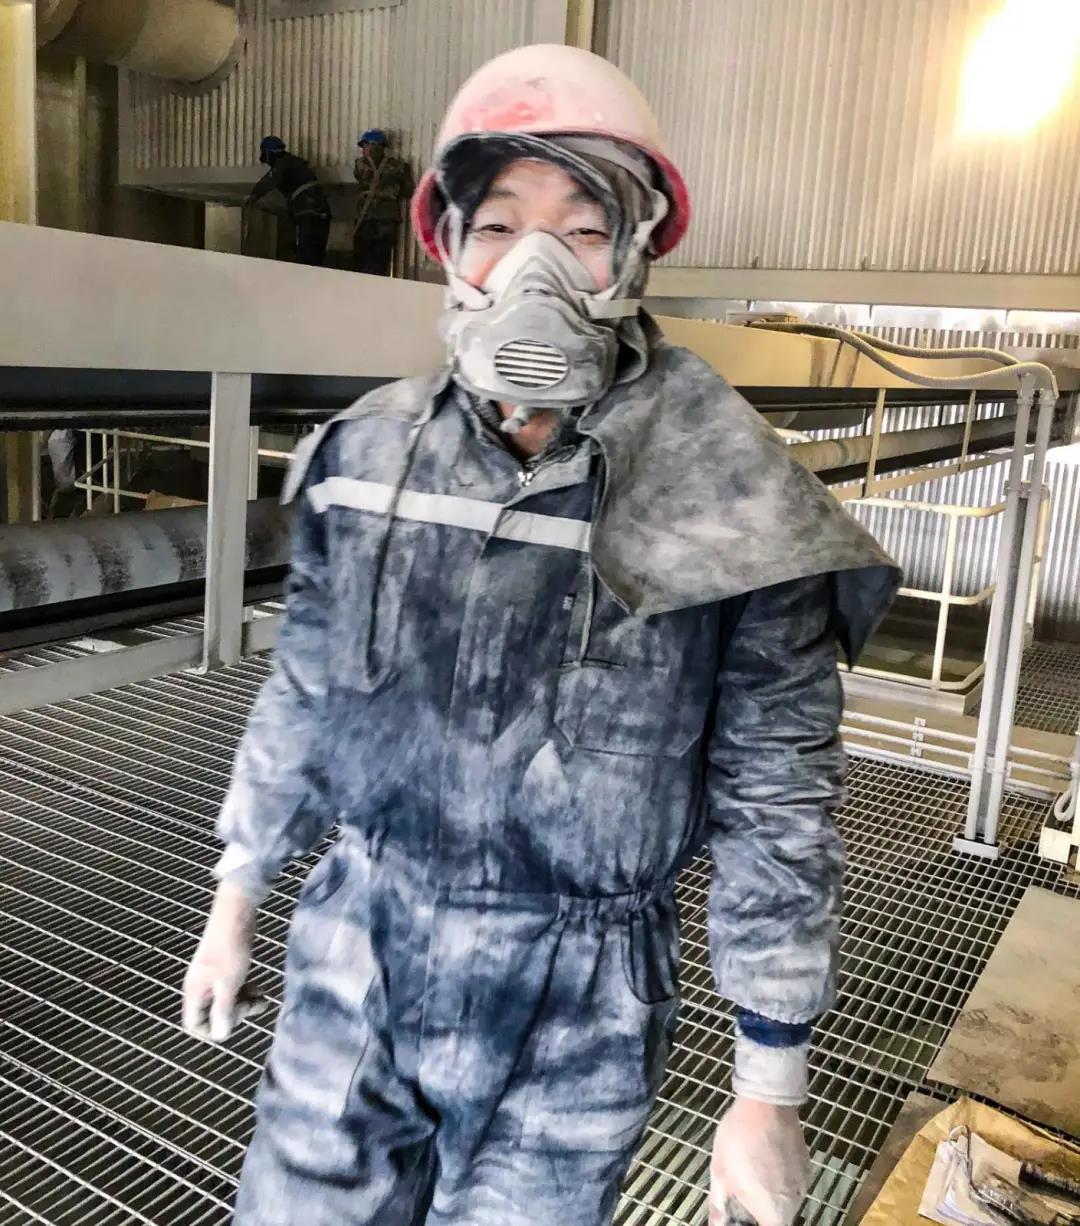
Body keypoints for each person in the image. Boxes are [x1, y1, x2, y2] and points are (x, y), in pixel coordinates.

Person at [183, 44, 900, 1226]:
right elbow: (303, 691)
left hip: (582, 1005)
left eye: (581, 230)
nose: (534, 265)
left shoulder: (732, 495)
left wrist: (768, 1084)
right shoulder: (367, 457)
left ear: (637, 250)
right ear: (449, 247)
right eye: (500, 225)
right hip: (359, 947)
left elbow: (779, 794)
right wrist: (237, 893)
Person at [247, 135, 332, 267]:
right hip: (320, 213)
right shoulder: (294, 163)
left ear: (268, 154)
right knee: (316, 257)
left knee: (307, 257)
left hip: (308, 213)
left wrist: (252, 198)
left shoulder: (282, 163)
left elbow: (268, 182)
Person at [352, 128, 413, 275]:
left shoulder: (359, 165)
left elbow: (361, 178)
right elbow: (408, 191)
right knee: (381, 261)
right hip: (388, 217)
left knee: (362, 260)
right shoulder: (400, 166)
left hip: (365, 217)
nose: (363, 150)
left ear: (374, 146)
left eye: (365, 145)